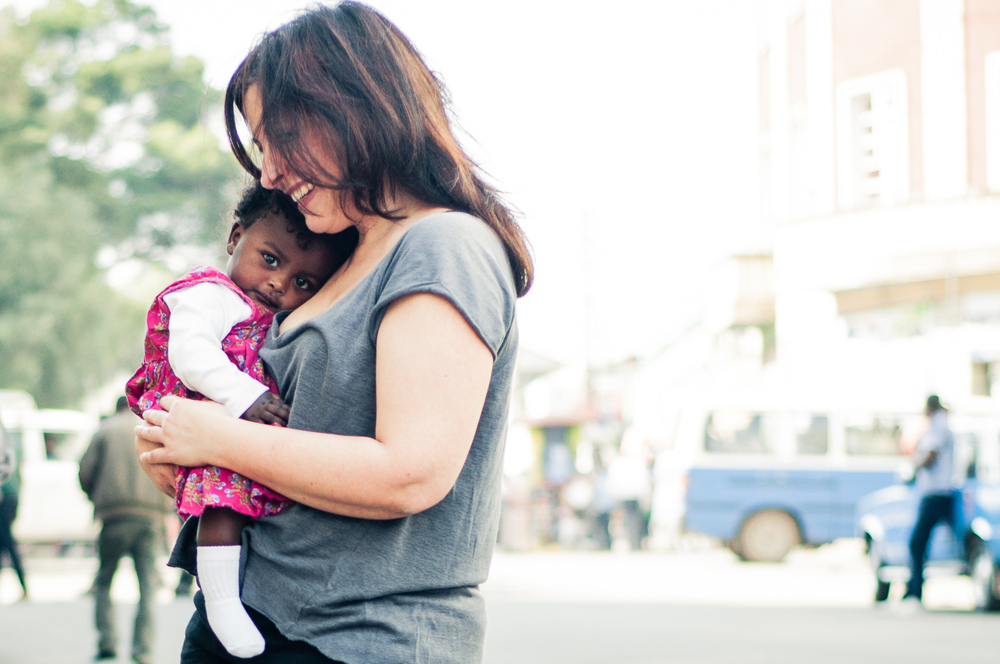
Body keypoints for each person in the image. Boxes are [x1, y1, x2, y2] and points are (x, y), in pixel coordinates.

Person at [135, 3, 533, 662]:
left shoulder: (443, 244)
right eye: (260, 150)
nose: (268, 174)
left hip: (356, 639)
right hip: (250, 616)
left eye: (277, 141)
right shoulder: (333, 256)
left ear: (348, 109)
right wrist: (189, 460)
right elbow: (293, 446)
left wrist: (219, 438)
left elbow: (409, 475)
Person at [125, 181, 351, 657]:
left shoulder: (261, 311)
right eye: (270, 259)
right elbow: (190, 354)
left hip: (215, 415)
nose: (279, 284)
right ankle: (224, 603)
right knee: (222, 504)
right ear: (234, 238)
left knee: (235, 502)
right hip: (199, 407)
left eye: (303, 283)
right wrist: (246, 398)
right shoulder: (211, 293)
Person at [79, 397, 175, 663]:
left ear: (115, 407)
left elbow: (85, 472)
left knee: (103, 581)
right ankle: (142, 650)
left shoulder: (105, 430)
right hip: (150, 517)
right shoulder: (150, 430)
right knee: (147, 586)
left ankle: (107, 641)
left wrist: (97, 497)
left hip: (114, 517)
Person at [902, 394, 957, 607]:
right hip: (939, 491)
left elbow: (930, 454)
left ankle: (914, 592)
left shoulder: (938, 424)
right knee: (923, 542)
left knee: (916, 543)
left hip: (936, 492)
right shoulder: (941, 424)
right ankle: (913, 589)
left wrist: (915, 465)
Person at [0, 416, 28, 601]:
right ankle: (24, 586)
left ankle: (24, 586)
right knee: (6, 542)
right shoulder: (12, 438)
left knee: (7, 542)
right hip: (12, 495)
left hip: (5, 495)